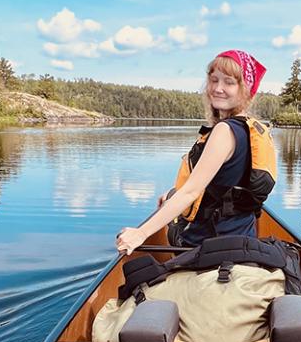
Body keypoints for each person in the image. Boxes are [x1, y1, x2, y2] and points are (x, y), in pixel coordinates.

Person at [115, 50, 268, 255]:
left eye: (229, 82)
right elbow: (220, 184)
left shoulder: (224, 131)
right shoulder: (247, 129)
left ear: (245, 90)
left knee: (171, 228)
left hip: (207, 247)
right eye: (214, 80)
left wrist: (141, 233)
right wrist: (174, 193)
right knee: (171, 195)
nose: (218, 88)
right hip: (242, 238)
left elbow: (191, 192)